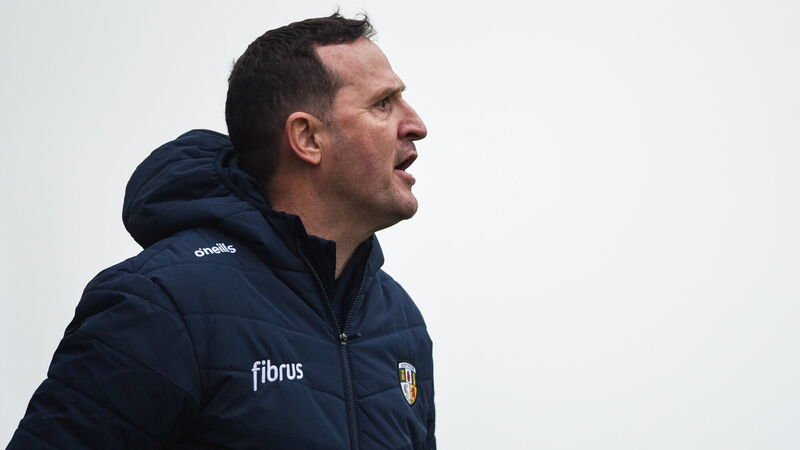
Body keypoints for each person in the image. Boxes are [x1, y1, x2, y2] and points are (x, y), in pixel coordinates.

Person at [9, 14, 435, 449]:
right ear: (307, 137)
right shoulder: (162, 302)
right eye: (383, 104)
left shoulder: (399, 321)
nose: (416, 125)